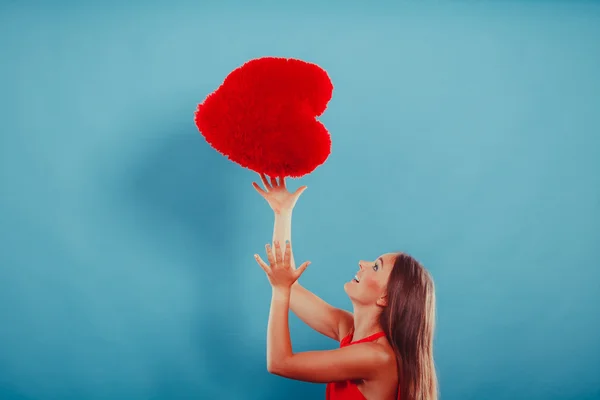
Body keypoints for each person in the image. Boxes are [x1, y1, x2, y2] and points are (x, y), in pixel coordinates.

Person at [252, 174, 438, 400]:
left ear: (385, 298)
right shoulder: (348, 329)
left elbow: (280, 363)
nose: (363, 263)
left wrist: (280, 289)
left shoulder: (376, 356)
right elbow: (293, 290)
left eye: (376, 267)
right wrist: (282, 214)